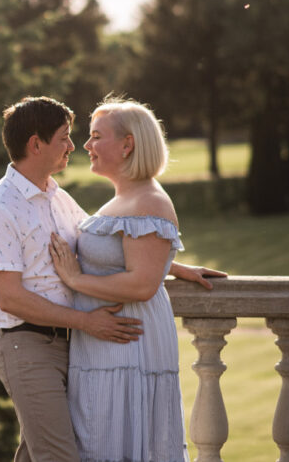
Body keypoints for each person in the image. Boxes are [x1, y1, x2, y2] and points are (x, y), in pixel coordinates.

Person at [0, 96, 219, 462]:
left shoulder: (57, 197)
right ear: (36, 145)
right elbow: (10, 299)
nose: (75, 146)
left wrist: (174, 266)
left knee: (39, 452)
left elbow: (109, 246)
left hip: (72, 346)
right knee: (58, 456)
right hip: (28, 345)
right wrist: (86, 321)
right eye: (64, 138)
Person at [49, 97, 223, 461]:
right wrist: (174, 266)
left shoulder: (149, 201)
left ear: (127, 144)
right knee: (101, 433)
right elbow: (129, 254)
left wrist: (75, 279)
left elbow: (142, 286)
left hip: (128, 341)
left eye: (97, 137)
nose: (86, 146)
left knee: (119, 435)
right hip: (103, 340)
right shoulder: (127, 198)